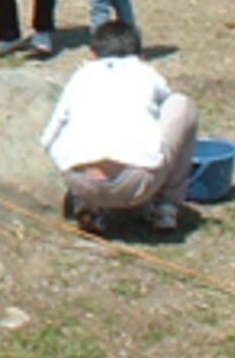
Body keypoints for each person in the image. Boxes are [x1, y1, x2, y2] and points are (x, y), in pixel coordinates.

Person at [40, 21, 197, 235]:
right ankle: (165, 207)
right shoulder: (144, 72)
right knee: (182, 105)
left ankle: (86, 205)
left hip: (81, 183)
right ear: (140, 55)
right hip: (135, 184)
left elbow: (48, 138)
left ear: (92, 53)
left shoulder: (80, 76)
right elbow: (167, 104)